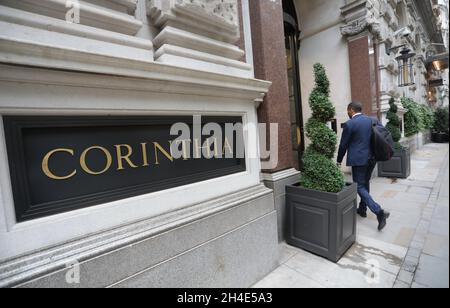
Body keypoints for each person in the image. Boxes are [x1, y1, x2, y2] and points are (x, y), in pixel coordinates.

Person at [337, 102, 390, 231]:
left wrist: (338, 161)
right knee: (365, 184)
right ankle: (362, 209)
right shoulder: (371, 120)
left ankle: (378, 211)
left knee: (359, 186)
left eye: (348, 111)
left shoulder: (350, 124)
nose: (347, 113)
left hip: (358, 160)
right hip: (372, 158)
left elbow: (343, 145)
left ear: (351, 110)